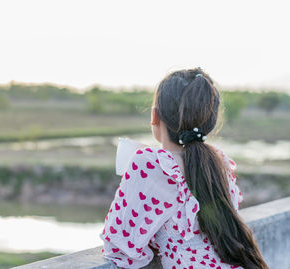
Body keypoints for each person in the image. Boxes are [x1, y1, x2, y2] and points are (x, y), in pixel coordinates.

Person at [99, 68, 268, 269]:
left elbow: (120, 246)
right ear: (209, 122)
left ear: (154, 116)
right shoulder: (218, 161)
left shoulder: (151, 164)